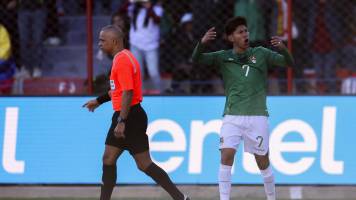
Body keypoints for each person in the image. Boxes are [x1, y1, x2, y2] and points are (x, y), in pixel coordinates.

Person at [82, 25, 190, 200]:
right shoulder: (123, 58)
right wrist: (99, 100)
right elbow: (117, 91)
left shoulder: (123, 61)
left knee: (127, 161)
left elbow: (128, 92)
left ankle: (180, 197)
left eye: (103, 40)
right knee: (122, 160)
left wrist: (122, 121)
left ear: (115, 41)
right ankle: (180, 198)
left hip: (129, 116)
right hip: (131, 114)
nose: (99, 43)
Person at [192, 16, 294, 200]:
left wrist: (283, 49)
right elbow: (196, 59)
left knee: (262, 161)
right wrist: (202, 43)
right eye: (240, 32)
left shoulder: (261, 53)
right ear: (231, 38)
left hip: (257, 116)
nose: (245, 34)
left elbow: (289, 63)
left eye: (246, 31)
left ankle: (272, 198)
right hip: (232, 115)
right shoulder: (223, 57)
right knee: (226, 155)